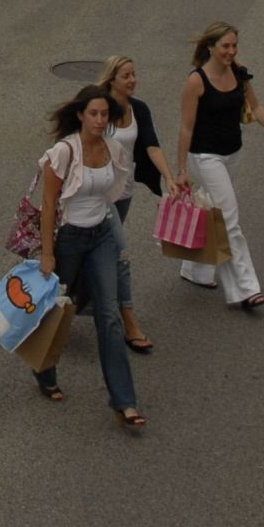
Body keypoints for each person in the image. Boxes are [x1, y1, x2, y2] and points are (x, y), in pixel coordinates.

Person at [32, 85, 145, 428]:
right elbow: (49, 204)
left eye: (104, 114)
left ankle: (125, 400)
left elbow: (118, 190)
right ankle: (44, 371)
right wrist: (48, 254)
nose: (99, 120)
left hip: (101, 238)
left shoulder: (113, 149)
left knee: (109, 316)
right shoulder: (64, 152)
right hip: (69, 239)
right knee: (57, 311)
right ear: (80, 115)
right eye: (93, 114)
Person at [173, 22, 264, 311]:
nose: (231, 51)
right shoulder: (196, 81)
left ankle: (195, 270)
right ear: (211, 48)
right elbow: (186, 128)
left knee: (212, 211)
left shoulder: (239, 74)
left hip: (232, 153)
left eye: (234, 45)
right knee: (229, 218)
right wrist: (181, 170)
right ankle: (246, 289)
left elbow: (256, 107)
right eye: (225, 46)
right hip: (205, 157)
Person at [96, 55, 170, 354]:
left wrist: (168, 178)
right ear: (112, 79)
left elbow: (151, 145)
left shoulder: (138, 109)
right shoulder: (98, 109)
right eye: (126, 75)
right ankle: (129, 322)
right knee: (119, 250)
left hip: (124, 193)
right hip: (98, 195)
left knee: (104, 250)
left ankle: (82, 298)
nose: (133, 80)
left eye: (134, 74)